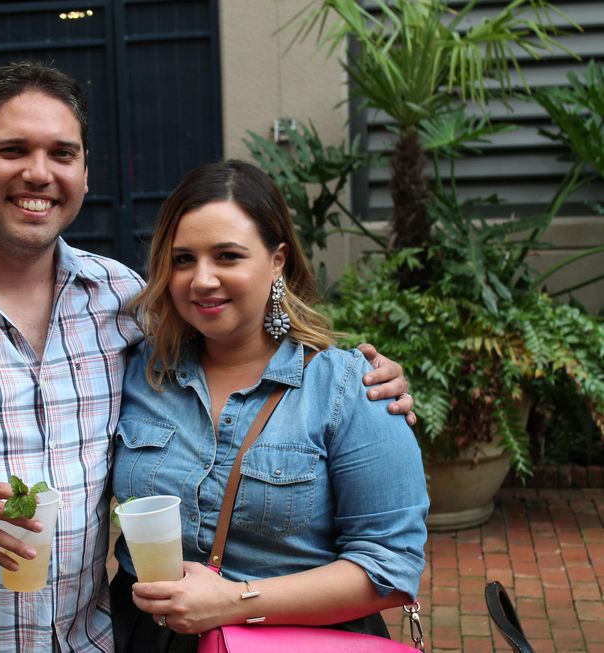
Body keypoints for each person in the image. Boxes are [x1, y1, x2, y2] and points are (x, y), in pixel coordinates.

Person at [0, 61, 415, 652]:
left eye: (61, 153)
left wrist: (367, 379)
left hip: (90, 642)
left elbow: (248, 338)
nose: (38, 172)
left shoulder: (120, 303)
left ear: (84, 170)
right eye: (13, 149)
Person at [109, 160, 429, 653]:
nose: (202, 279)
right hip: (143, 639)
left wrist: (234, 600)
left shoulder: (347, 390)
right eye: (183, 259)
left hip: (296, 641)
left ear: (278, 260)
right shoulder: (136, 372)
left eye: (228, 256)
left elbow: (391, 568)